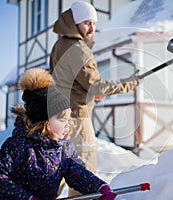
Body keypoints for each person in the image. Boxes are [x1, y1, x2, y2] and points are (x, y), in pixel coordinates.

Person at [0, 68, 116, 200]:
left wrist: (98, 187)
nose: (67, 124)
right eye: (62, 119)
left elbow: (78, 173)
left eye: (68, 119)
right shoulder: (19, 146)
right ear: (44, 122)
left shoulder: (64, 148)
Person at [50, 1, 139, 196]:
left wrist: (89, 92)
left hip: (58, 116)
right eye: (86, 23)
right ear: (75, 23)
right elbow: (96, 85)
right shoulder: (78, 49)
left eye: (94, 23)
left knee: (57, 170)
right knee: (84, 171)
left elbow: (69, 81)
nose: (91, 28)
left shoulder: (60, 44)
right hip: (75, 119)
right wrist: (130, 83)